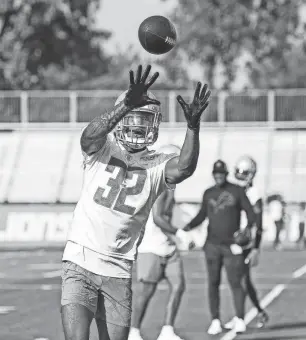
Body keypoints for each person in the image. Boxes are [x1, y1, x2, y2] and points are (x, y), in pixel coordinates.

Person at [60, 64, 211, 340]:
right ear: (121, 117)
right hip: (81, 260)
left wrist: (193, 127)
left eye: (144, 119)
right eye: (133, 116)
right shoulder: (103, 148)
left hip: (119, 269)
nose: (138, 125)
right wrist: (124, 105)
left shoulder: (157, 163)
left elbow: (186, 168)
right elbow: (88, 136)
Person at [183, 159, 255, 335]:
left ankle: (239, 319)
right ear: (213, 175)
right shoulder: (208, 193)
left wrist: (246, 231)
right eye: (216, 174)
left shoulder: (237, 191)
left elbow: (251, 214)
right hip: (212, 245)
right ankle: (215, 320)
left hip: (232, 246)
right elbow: (202, 215)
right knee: (213, 283)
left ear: (226, 174)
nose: (218, 176)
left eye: (221, 174)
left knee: (235, 282)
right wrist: (188, 226)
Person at [129, 144, 190, 340]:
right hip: (152, 247)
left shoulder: (169, 184)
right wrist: (179, 233)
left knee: (179, 285)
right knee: (146, 292)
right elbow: (158, 218)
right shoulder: (160, 184)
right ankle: (133, 331)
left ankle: (167, 330)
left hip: (167, 246)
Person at [224, 155, 269, 330]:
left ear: (251, 174)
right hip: (231, 238)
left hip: (244, 241)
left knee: (239, 280)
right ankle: (257, 311)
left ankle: (240, 317)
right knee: (243, 280)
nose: (239, 176)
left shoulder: (254, 193)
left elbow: (258, 223)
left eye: (242, 173)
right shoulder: (235, 190)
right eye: (237, 172)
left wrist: (256, 248)